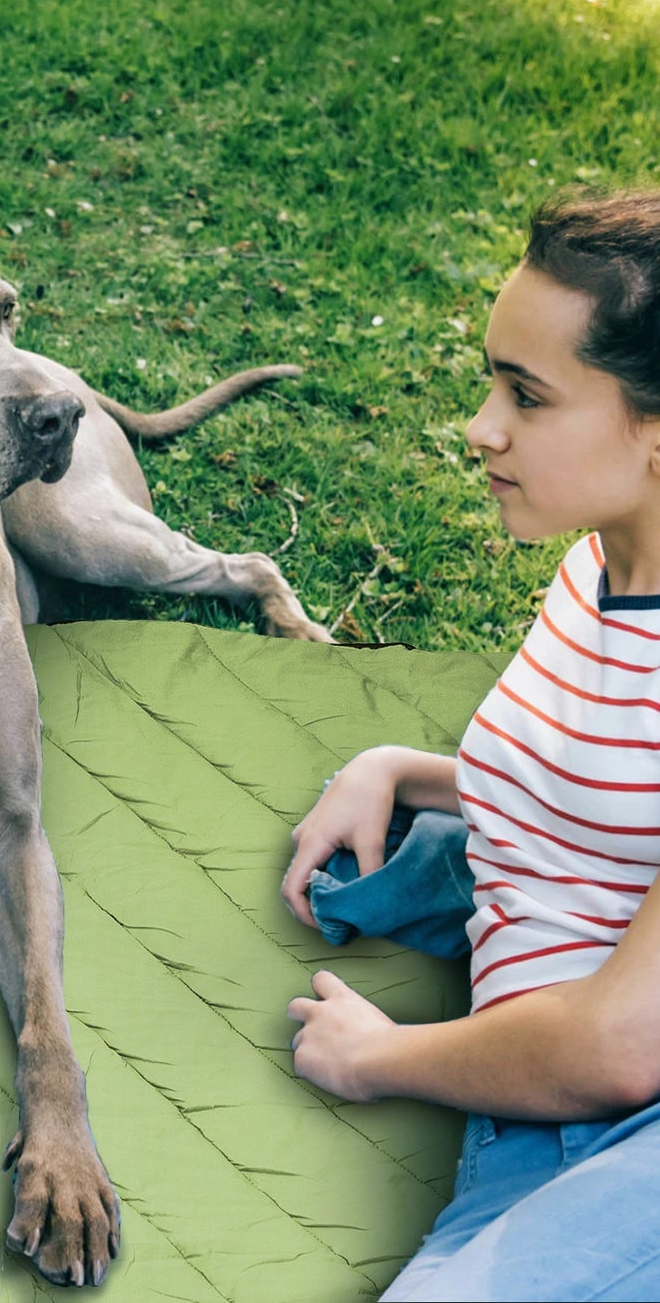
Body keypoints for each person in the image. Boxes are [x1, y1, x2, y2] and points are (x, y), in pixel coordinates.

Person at [281, 189, 660, 1302]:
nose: (478, 426)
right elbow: (611, 778)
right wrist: (400, 768)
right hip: (536, 1126)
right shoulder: (603, 559)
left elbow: (615, 1046)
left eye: (526, 396)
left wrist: (377, 1054)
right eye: (491, 378)